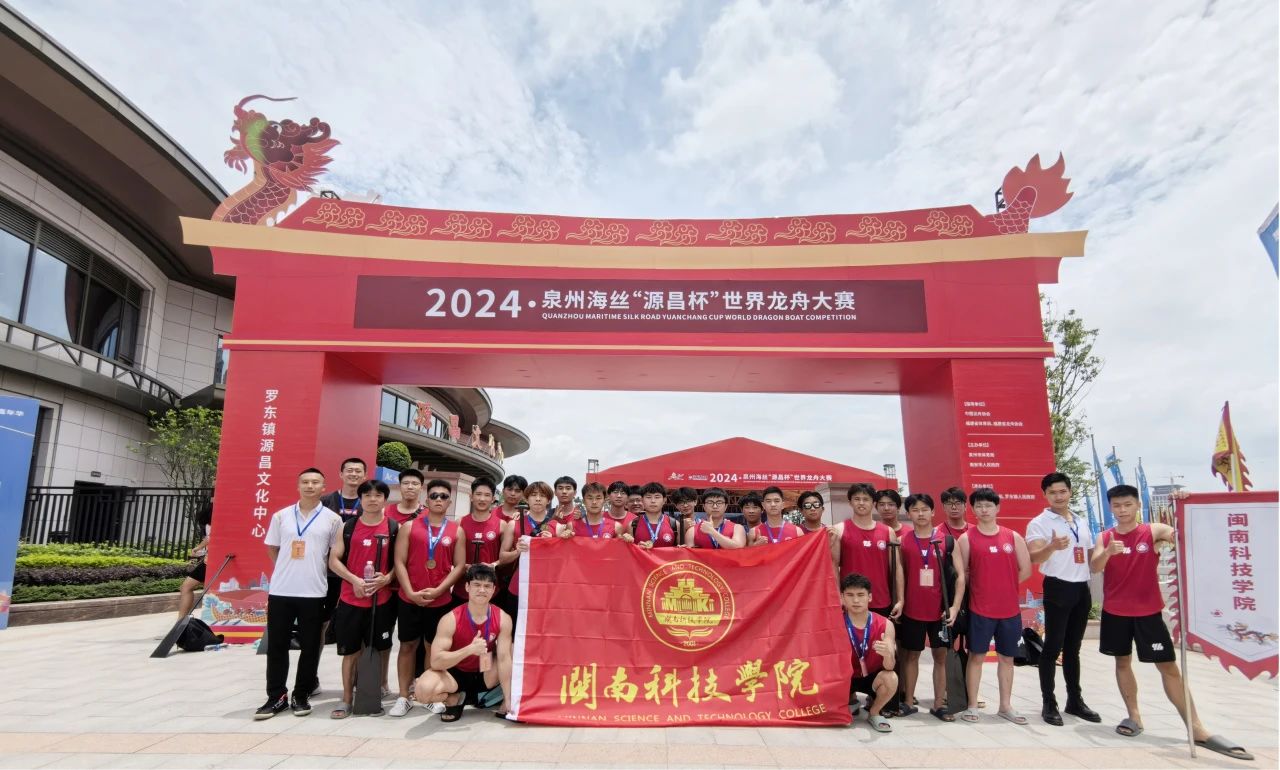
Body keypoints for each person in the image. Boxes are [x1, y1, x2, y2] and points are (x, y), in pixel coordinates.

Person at [1090, 485, 1253, 760]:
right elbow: (1095, 566)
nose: (1122, 510)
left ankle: (1196, 727)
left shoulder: (1152, 531)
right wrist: (1108, 552)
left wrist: (1183, 504)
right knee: (1122, 662)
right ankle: (1134, 716)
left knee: (1168, 666)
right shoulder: (1105, 537)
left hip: (1148, 613)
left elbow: (1183, 534)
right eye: (1117, 506)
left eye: (1127, 504)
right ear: (1111, 508)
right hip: (1116, 612)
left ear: (1137, 505)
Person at [255, 468, 342, 720]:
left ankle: (301, 694)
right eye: (305, 482)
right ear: (298, 485)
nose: (310, 486)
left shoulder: (333, 519)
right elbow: (273, 548)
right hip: (281, 590)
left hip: (314, 592)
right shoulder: (281, 516)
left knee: (310, 646)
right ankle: (276, 696)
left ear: (323, 487)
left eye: (315, 482)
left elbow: (334, 556)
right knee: (277, 645)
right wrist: (287, 569)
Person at [947, 487, 1030, 725]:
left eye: (988, 505)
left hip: (1009, 611)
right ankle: (972, 705)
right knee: (976, 657)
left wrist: (1004, 586)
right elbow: (961, 574)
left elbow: (1025, 570)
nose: (984, 510)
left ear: (997, 508)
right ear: (972, 509)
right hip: (979, 609)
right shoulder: (966, 539)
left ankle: (1005, 706)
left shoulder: (1013, 537)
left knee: (1007, 658)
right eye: (979, 506)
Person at [1026, 472, 1100, 726]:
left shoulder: (1080, 521)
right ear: (1045, 495)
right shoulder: (1039, 523)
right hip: (1058, 587)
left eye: (1062, 491)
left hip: (1082, 588)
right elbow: (1034, 557)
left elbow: (1090, 555)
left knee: (1073, 648)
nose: (1058, 496)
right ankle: (1049, 703)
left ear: (1070, 491)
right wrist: (1052, 547)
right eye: (1052, 492)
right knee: (1052, 647)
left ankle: (1075, 700)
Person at [389, 478, 466, 717]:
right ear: (426, 499)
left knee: (433, 649)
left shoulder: (456, 530)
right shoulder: (410, 527)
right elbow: (399, 562)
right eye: (434, 496)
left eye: (443, 496)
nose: (438, 500)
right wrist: (410, 591)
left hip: (440, 600)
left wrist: (440, 590)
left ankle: (428, 695)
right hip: (409, 598)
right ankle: (403, 696)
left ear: (450, 501)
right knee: (407, 646)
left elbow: (459, 565)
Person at [326, 479, 398, 719]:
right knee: (351, 652)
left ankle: (372, 695)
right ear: (360, 499)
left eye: (378, 495)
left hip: (382, 601)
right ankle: (347, 699)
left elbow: (400, 563)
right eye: (367, 495)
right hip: (351, 599)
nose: (372, 499)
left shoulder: (393, 527)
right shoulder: (348, 526)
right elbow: (334, 560)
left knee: (379, 650)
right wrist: (354, 580)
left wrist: (387, 579)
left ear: (385, 499)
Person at [414, 564, 515, 722]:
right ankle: (453, 698)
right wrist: (469, 650)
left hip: (485, 671)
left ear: (493, 590)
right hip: (456, 673)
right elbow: (436, 662)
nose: (482, 590)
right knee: (422, 691)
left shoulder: (503, 618)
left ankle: (504, 699)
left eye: (487, 586)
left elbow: (503, 659)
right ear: (467, 587)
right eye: (477, 585)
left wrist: (508, 699)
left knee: (512, 650)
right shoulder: (450, 619)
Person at [896, 494, 949, 720]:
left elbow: (958, 576)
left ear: (933, 512)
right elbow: (899, 573)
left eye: (925, 509)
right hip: (913, 608)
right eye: (915, 510)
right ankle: (908, 702)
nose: (920, 513)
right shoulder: (903, 541)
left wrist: (953, 606)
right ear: (909, 513)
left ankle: (939, 704)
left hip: (940, 610)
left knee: (941, 657)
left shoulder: (946, 540)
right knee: (911, 656)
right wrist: (901, 600)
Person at [830, 483, 902, 619]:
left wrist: (900, 600)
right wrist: (838, 596)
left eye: (866, 499)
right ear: (850, 502)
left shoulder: (888, 531)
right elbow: (833, 566)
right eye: (857, 499)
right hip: (851, 600)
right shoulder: (839, 530)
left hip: (881, 599)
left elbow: (896, 567)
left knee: (882, 633)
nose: (861, 503)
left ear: (873, 503)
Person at [841, 573, 898, 733]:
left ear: (870, 597)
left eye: (861, 595)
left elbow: (889, 666)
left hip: (871, 675)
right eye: (850, 595)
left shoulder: (885, 624)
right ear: (842, 597)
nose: (856, 600)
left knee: (891, 678)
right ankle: (848, 703)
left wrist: (888, 654)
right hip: (845, 677)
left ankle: (874, 712)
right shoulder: (836, 622)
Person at [320, 458, 368, 647]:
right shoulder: (325, 501)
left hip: (358, 570)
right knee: (322, 618)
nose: (353, 474)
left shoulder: (368, 503)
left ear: (364, 475)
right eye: (349, 470)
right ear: (341, 474)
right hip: (327, 570)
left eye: (358, 471)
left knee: (355, 618)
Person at [501, 481, 561, 624]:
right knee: (516, 629)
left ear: (548, 500)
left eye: (542, 496)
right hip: (519, 586)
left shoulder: (557, 526)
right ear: (526, 499)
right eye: (534, 495)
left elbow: (565, 559)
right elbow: (502, 558)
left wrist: (553, 543)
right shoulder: (514, 524)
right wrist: (517, 551)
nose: (538, 499)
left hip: (546, 587)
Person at [177, 500, 214, 619]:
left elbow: (211, 537)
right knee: (187, 587)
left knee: (186, 587)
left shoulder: (215, 517)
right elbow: (210, 537)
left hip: (212, 562)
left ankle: (181, 622)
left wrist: (198, 548)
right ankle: (181, 621)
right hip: (213, 560)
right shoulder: (218, 517)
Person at [623, 482, 681, 548]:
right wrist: (636, 547)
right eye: (648, 497)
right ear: (642, 500)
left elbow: (681, 551)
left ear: (664, 500)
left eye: (657, 497)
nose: (653, 501)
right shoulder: (633, 525)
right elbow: (629, 551)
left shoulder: (675, 524)